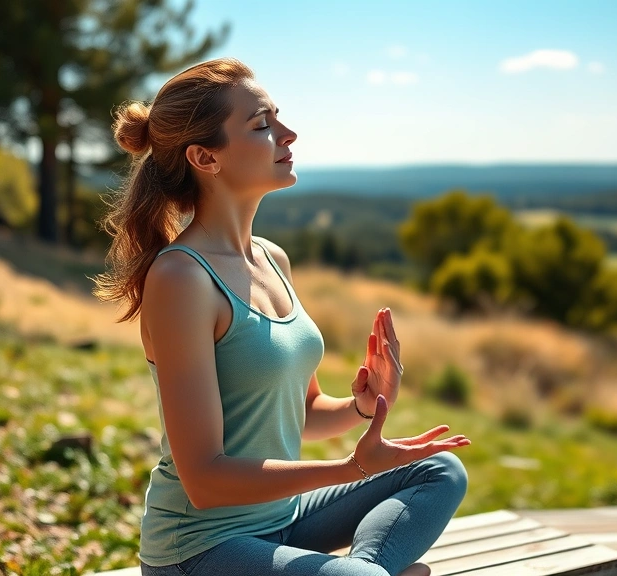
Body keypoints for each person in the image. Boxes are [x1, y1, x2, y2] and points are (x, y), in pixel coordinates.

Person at [93, 57, 471, 576]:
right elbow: (204, 481)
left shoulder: (272, 258)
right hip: (201, 547)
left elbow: (306, 414)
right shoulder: (182, 279)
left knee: (437, 468)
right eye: (262, 125)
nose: (288, 134)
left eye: (277, 119)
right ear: (205, 157)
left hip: (285, 521)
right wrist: (351, 469)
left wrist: (364, 404)